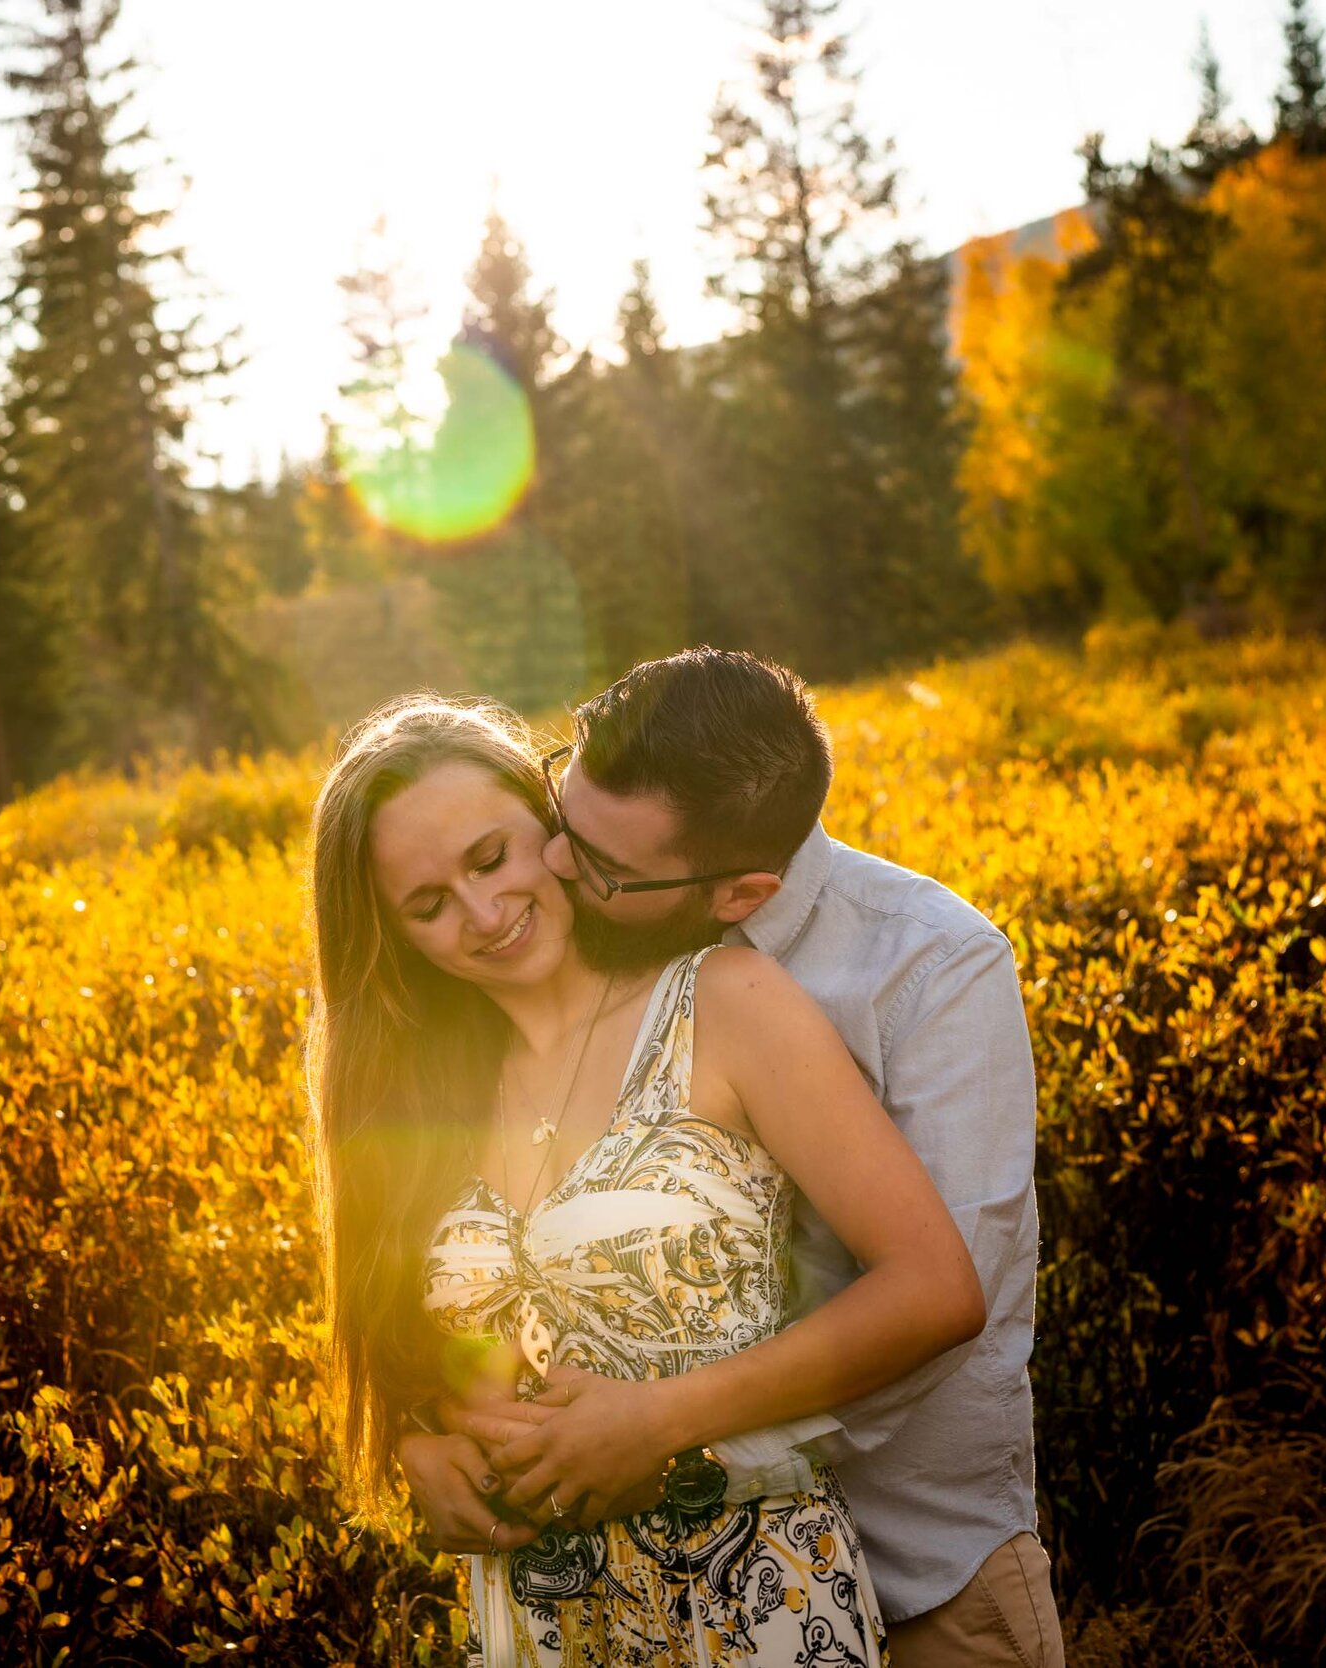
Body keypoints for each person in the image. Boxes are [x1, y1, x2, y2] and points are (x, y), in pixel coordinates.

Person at [397, 650, 1064, 1668]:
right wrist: (441, 1425)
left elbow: (944, 1300)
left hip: (925, 1569)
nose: (559, 868)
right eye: (560, 816)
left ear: (738, 894)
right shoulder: (585, 956)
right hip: (627, 1585)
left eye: (602, 867)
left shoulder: (932, 967)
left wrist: (665, 1438)